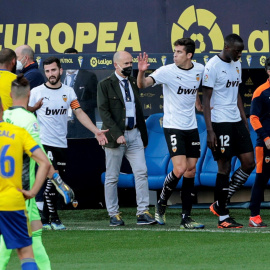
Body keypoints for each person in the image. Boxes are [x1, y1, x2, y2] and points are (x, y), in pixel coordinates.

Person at [28, 56, 108, 230]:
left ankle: (45, 219)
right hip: (44, 142)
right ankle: (54, 219)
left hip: (61, 143)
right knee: (53, 179)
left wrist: (95, 131)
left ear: (60, 71)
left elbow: (78, 112)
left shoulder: (68, 92)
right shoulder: (36, 92)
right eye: (47, 71)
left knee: (56, 180)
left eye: (54, 70)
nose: (51, 74)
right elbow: (24, 111)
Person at [137, 38, 205, 229]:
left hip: (191, 126)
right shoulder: (167, 71)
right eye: (174, 51)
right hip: (173, 125)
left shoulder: (199, 69)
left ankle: (186, 217)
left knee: (191, 169)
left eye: (179, 52)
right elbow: (142, 85)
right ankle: (161, 204)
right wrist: (142, 71)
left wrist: (198, 102)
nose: (174, 55)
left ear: (189, 55)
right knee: (180, 168)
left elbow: (195, 87)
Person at [202, 33, 255, 228]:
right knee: (224, 167)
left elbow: (237, 92)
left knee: (249, 163)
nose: (240, 54)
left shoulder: (236, 64)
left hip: (236, 120)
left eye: (241, 51)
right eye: (237, 51)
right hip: (219, 122)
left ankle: (220, 201)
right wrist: (210, 131)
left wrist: (244, 117)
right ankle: (223, 217)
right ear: (226, 47)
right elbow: (206, 100)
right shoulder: (212, 66)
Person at [97, 50, 156, 226]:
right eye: (126, 64)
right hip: (115, 137)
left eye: (131, 63)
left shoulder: (133, 81)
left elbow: (139, 98)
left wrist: (142, 71)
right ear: (116, 65)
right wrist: (117, 134)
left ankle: (143, 212)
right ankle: (113, 214)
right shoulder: (105, 84)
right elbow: (104, 112)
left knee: (141, 172)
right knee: (112, 177)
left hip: (135, 133)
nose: (130, 67)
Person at [0, 74, 53, 269]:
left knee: (35, 233)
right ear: (29, 94)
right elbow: (43, 160)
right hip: (19, 193)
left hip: (14, 194)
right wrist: (54, 177)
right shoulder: (26, 124)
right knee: (24, 249)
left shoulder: (6, 118)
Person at [248, 57, 270, 227]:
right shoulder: (260, 91)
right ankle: (254, 216)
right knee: (261, 178)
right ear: (268, 71)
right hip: (265, 144)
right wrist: (266, 138)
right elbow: (254, 117)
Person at [62, 48, 98, 138]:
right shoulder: (58, 76)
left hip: (83, 127)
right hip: (62, 126)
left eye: (73, 58)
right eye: (68, 59)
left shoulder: (89, 77)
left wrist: (78, 106)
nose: (71, 62)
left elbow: (97, 100)